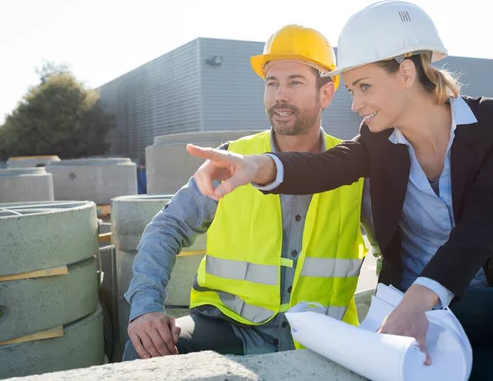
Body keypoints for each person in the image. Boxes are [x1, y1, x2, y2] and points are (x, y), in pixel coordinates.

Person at [187, 1, 493, 380]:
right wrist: (257, 165)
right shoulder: (378, 138)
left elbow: (489, 216)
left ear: (404, 72)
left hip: (469, 297)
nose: (355, 105)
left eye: (364, 86)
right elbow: (326, 166)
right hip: (413, 310)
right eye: (352, 89)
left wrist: (421, 298)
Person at [122, 24, 372, 361]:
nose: (280, 95)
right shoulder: (232, 158)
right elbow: (166, 228)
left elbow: (394, 254)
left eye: (295, 82)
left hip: (322, 336)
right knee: (145, 351)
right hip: (231, 326)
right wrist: (146, 308)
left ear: (326, 93)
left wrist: (383, 325)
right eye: (272, 83)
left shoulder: (354, 168)